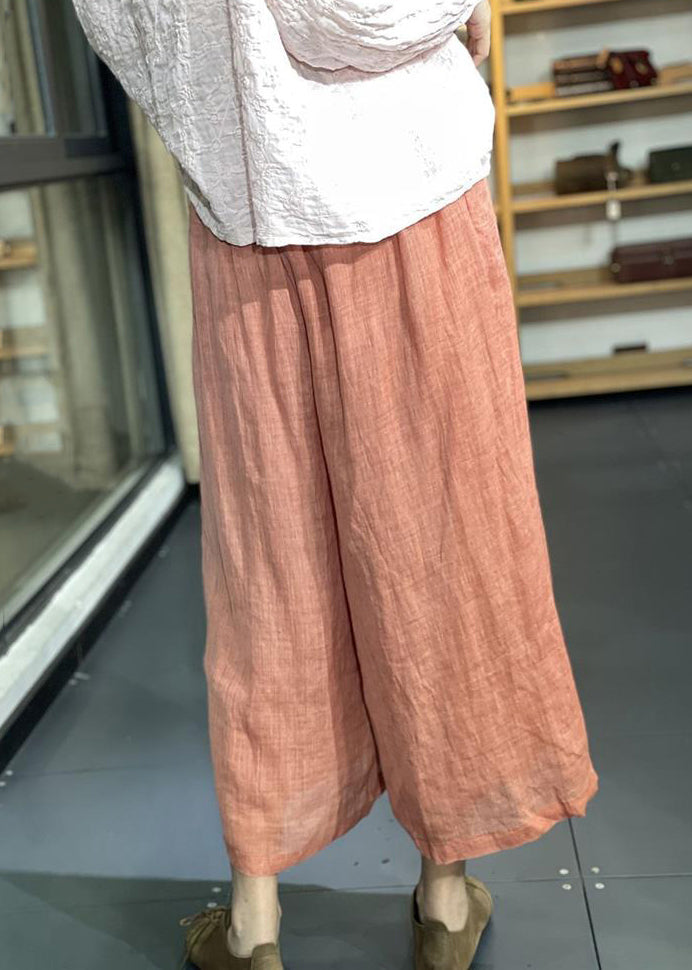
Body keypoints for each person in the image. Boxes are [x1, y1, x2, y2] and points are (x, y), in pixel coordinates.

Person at [71, 2, 599, 968]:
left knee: (269, 573)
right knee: (440, 541)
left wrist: (211, 104)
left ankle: (254, 925)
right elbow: (350, 13)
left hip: (241, 225)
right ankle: (445, 900)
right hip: (403, 205)